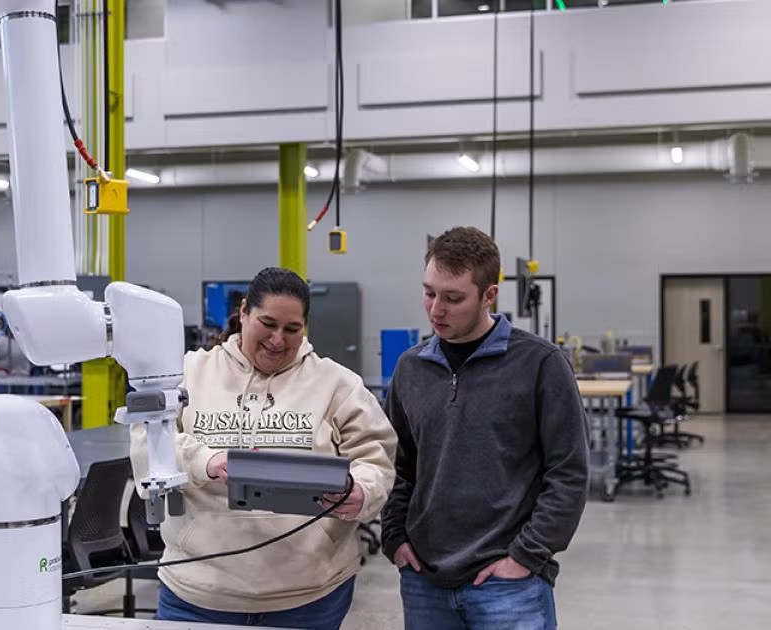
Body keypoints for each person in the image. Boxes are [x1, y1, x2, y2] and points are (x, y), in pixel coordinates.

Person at [131, 266, 397, 630]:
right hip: (197, 592)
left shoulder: (337, 383)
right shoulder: (188, 373)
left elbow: (375, 457)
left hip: (309, 595)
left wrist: (361, 491)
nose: (277, 339)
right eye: (267, 323)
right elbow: (146, 444)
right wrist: (206, 461)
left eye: (292, 329)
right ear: (243, 312)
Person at [381, 226, 589, 629]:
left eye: (453, 298)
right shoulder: (411, 368)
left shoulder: (541, 365)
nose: (436, 310)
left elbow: (569, 472)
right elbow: (398, 465)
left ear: (489, 295)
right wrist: (394, 538)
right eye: (429, 293)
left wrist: (527, 555)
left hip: (509, 585)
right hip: (424, 579)